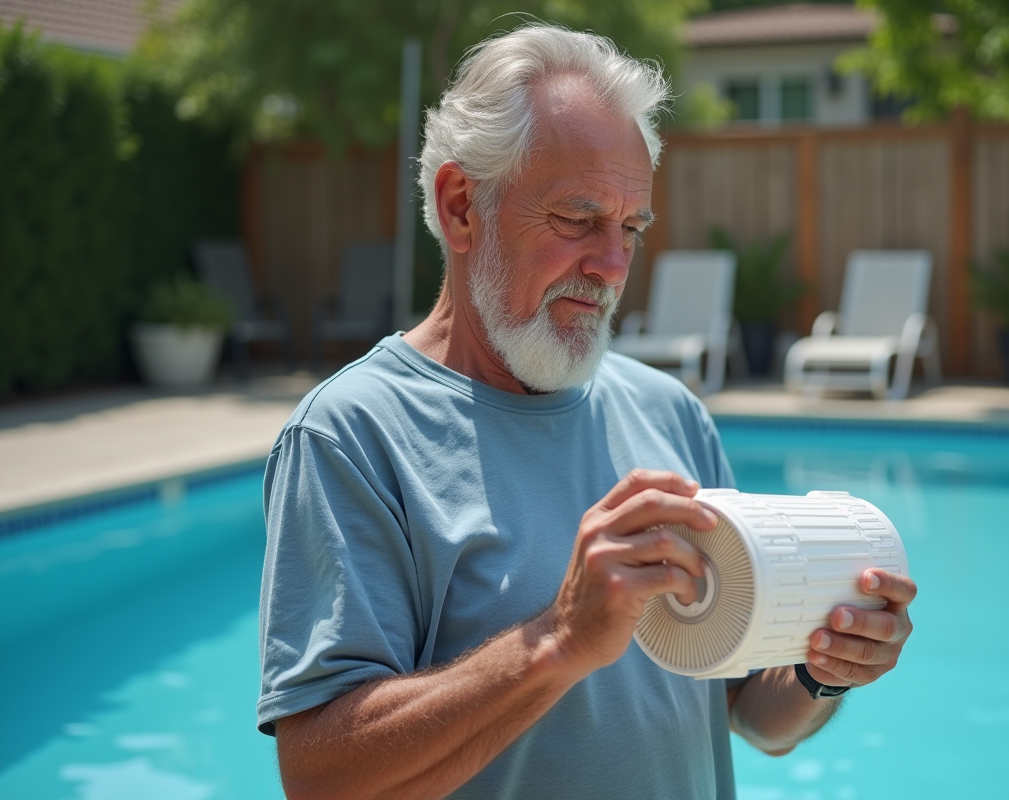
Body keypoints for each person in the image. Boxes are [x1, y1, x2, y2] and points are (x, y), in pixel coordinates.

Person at [258, 24, 916, 800]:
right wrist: (558, 641)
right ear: (463, 206)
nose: (611, 265)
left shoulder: (669, 411)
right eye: (577, 219)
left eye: (631, 229)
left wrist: (823, 672)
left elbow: (750, 712)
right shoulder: (351, 437)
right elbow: (321, 778)